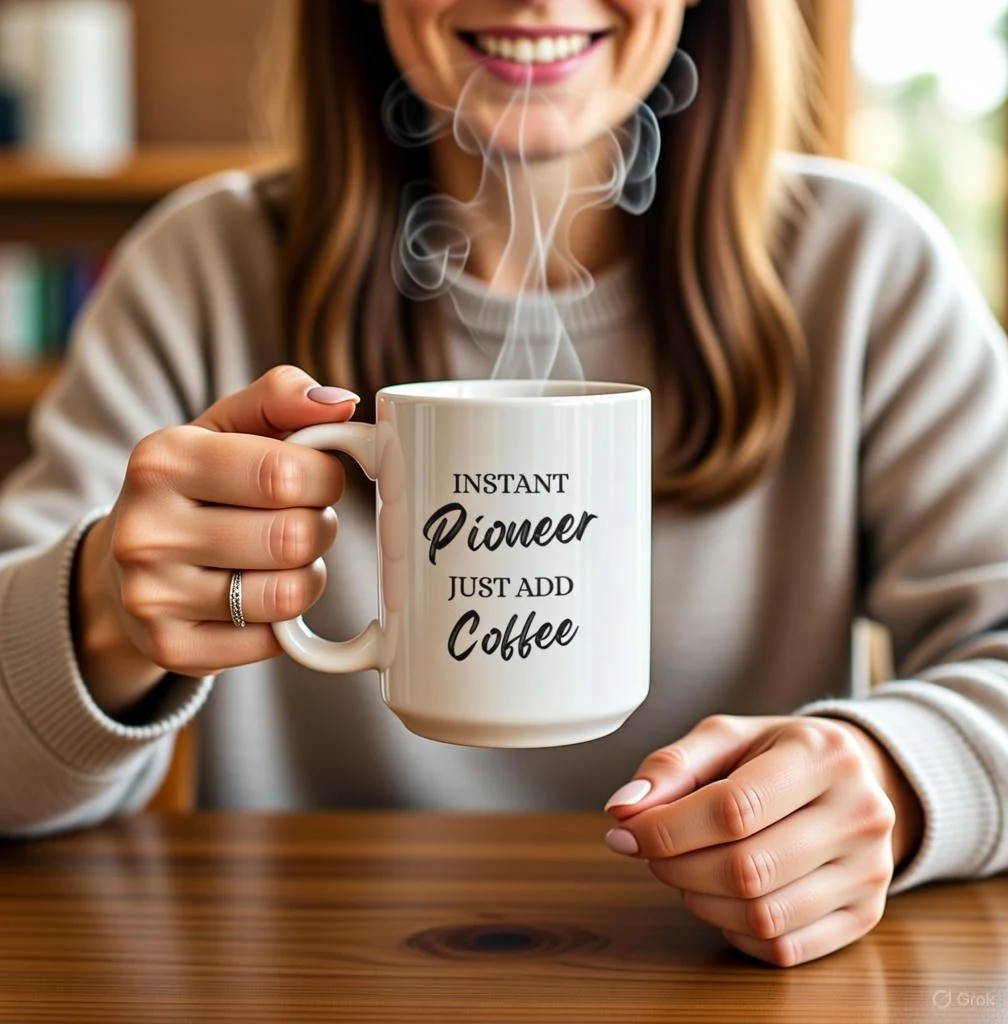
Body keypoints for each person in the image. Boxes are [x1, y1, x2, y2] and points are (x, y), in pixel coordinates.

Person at [0, 0, 1006, 969]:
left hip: (719, 980)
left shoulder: (866, 269)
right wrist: (100, 615)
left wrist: (902, 775)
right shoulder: (200, 271)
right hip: (307, 973)